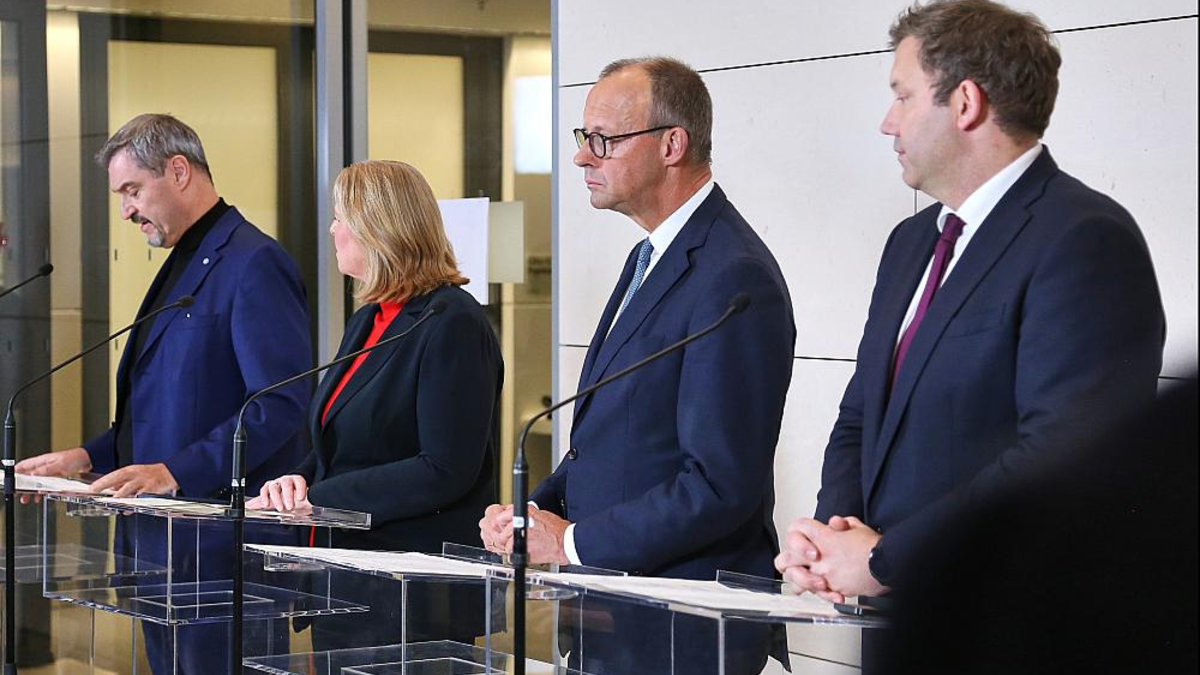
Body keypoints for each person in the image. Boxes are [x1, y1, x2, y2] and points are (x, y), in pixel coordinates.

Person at [776, 0, 1165, 642]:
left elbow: (1063, 458)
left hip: (1011, 633)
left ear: (964, 103)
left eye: (902, 97)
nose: (886, 122)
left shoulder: (1084, 239)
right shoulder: (909, 243)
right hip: (903, 625)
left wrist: (882, 559)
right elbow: (860, 416)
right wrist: (830, 540)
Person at [479, 56, 795, 674]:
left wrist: (568, 543)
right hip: (612, 615)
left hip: (683, 627)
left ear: (672, 144)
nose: (581, 158)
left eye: (604, 140)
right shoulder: (649, 256)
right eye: (582, 138)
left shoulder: (733, 276)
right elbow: (614, 442)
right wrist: (531, 515)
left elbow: (718, 483)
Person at [16, 113, 312, 674]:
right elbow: (166, 411)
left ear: (178, 171)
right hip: (160, 543)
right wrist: (85, 457)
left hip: (217, 549)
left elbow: (277, 405)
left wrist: (174, 472)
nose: (125, 209)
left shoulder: (253, 263)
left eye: (132, 190)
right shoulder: (182, 260)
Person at [248, 159, 502, 649]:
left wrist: (321, 498)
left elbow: (445, 467)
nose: (332, 230)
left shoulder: (452, 322)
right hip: (345, 576)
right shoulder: (370, 317)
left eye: (341, 218)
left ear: (379, 229)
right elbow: (337, 441)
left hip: (412, 590)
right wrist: (297, 479)